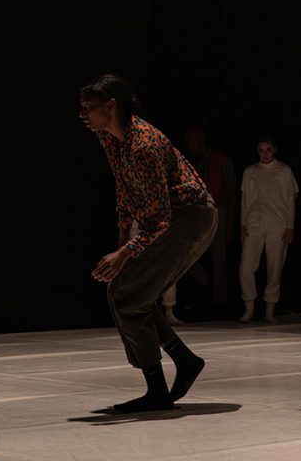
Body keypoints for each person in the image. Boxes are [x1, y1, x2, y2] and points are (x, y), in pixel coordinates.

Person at [79, 74, 217, 412]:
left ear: (111, 107)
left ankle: (159, 390)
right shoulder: (111, 138)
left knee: (127, 295)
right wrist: (122, 239)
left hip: (191, 217)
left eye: (88, 108)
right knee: (130, 293)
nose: (82, 115)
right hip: (175, 218)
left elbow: (162, 222)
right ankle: (182, 361)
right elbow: (124, 191)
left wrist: (124, 254)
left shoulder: (145, 145)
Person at [237, 134, 299, 323]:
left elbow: (290, 200)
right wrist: (243, 224)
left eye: (268, 150)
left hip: (277, 224)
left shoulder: (284, 171)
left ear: (275, 150)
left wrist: (290, 226)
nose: (265, 154)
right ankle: (249, 307)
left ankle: (270, 309)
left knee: (274, 268)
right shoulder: (250, 171)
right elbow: (245, 200)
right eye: (261, 150)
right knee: (246, 267)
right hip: (255, 222)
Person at [184, 124, 236, 307]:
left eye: (193, 141)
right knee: (185, 251)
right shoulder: (192, 162)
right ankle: (204, 279)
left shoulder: (221, 159)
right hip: (199, 211)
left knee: (219, 256)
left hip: (218, 209)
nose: (190, 145)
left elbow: (230, 193)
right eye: (188, 142)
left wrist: (230, 224)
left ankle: (220, 301)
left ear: (202, 139)